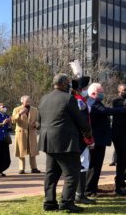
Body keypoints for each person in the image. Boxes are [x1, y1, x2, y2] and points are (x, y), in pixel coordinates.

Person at [38, 73, 94, 213]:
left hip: (48, 141)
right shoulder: (68, 98)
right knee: (72, 174)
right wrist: (88, 134)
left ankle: (50, 202)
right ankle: (67, 202)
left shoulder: (44, 98)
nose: (70, 85)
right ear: (63, 84)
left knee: (51, 174)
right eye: (68, 83)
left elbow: (39, 121)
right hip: (65, 142)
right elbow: (80, 120)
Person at [85, 82, 126, 197]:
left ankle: (93, 187)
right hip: (96, 139)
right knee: (94, 165)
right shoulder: (93, 102)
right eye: (101, 92)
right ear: (93, 93)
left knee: (97, 166)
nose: (103, 94)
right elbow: (107, 111)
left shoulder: (96, 102)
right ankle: (89, 190)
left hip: (100, 139)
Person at [71, 77, 96, 204]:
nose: (87, 90)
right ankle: (79, 195)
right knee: (82, 165)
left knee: (82, 165)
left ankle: (79, 194)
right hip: (81, 138)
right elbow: (84, 122)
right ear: (81, 89)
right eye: (85, 88)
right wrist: (89, 140)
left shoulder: (79, 100)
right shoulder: (79, 101)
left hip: (79, 138)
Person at [12, 95, 40, 174]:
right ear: (22, 101)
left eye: (29, 101)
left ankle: (34, 168)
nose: (28, 102)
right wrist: (20, 114)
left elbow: (38, 120)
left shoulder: (35, 110)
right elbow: (13, 120)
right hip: (21, 133)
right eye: (27, 101)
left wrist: (36, 124)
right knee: (21, 152)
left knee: (32, 151)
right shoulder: (16, 109)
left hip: (32, 133)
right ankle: (21, 169)